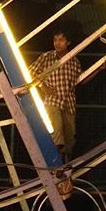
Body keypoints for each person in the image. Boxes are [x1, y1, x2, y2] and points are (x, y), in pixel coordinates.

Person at [29, 31, 89, 161]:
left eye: (61, 40)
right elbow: (31, 72)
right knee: (57, 133)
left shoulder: (74, 61)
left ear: (68, 42)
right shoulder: (47, 57)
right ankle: (54, 163)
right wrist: (42, 86)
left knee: (69, 139)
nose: (57, 43)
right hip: (53, 101)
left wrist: (99, 69)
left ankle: (63, 163)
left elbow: (81, 79)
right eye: (55, 40)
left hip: (69, 103)